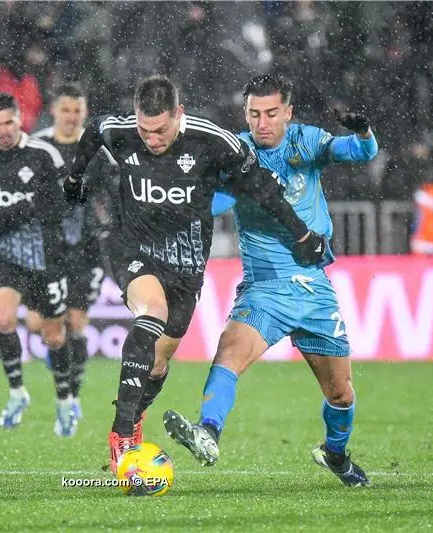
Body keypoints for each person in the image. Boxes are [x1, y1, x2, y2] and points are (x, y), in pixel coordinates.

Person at [63, 75, 327, 473]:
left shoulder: (214, 142)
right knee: (150, 313)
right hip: (133, 248)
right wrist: (74, 178)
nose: (151, 139)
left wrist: (302, 232)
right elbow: (95, 131)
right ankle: (121, 437)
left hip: (186, 267)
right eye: (144, 130)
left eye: (160, 130)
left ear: (179, 114)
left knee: (159, 361)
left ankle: (134, 419)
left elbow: (263, 188)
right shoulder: (122, 131)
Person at [162, 74, 378, 487]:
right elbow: (210, 198)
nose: (262, 122)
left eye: (271, 113)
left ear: (288, 113)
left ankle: (335, 454)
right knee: (228, 353)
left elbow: (362, 151)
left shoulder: (306, 142)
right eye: (254, 113)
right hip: (265, 287)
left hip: (314, 289)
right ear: (245, 114)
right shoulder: (237, 153)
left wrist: (363, 131)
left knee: (341, 395)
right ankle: (208, 432)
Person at [0, 92, 77, 437]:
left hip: (45, 257)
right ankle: (17, 393)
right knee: (5, 317)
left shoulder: (43, 155)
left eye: (8, 123)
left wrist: (3, 218)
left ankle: (65, 399)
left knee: (53, 336)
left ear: (20, 119)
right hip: (5, 256)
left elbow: (58, 209)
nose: (2, 131)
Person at [30, 84, 119, 421]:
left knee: (76, 320)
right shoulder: (39, 147)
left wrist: (108, 223)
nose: (71, 117)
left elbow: (115, 190)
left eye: (77, 111)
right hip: (46, 248)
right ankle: (63, 375)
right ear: (54, 110)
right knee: (39, 322)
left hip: (87, 248)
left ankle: (72, 392)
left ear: (85, 112)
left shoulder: (97, 150)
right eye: (66, 110)